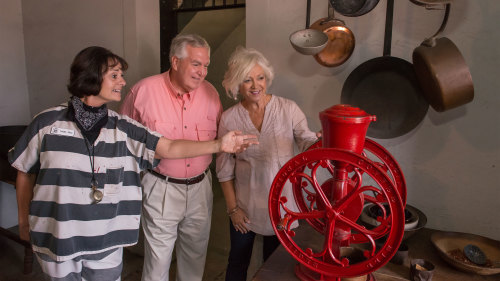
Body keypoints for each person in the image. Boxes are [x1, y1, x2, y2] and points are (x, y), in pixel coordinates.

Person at [8, 46, 257, 281]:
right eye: (115, 75)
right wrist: (23, 221)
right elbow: (24, 170)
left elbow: (168, 146)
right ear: (91, 76)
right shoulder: (47, 124)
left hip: (107, 241)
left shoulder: (123, 128)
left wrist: (218, 145)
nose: (123, 82)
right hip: (57, 239)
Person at [119, 34, 222, 281]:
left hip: (201, 188)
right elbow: (122, 141)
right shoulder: (143, 91)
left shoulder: (211, 93)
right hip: (160, 186)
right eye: (196, 64)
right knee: (157, 263)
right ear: (175, 62)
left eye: (206, 65)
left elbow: (222, 132)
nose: (202, 72)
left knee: (195, 258)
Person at [216, 46, 320, 281]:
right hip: (246, 206)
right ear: (235, 84)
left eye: (260, 78)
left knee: (276, 265)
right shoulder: (229, 118)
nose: (255, 86)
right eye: (247, 80)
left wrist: (320, 140)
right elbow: (224, 170)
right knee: (237, 262)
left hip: (284, 208)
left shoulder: (288, 109)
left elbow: (306, 142)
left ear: (267, 78)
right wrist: (233, 210)